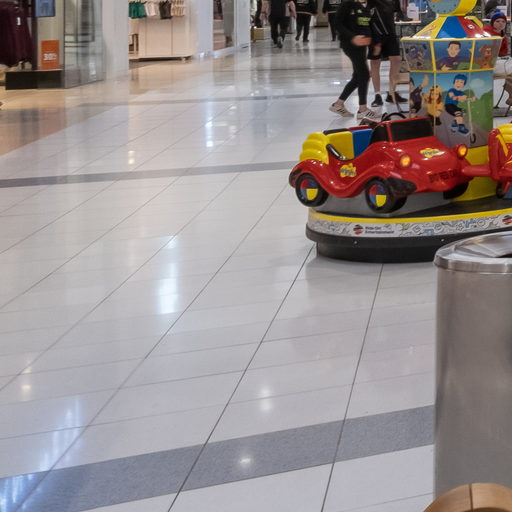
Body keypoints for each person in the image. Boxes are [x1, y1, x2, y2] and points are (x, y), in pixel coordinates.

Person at [329, 0, 378, 119]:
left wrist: (374, 44)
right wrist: (352, 37)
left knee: (358, 77)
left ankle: (338, 104)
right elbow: (337, 24)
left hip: (362, 46)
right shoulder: (347, 4)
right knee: (364, 75)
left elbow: (368, 26)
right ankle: (362, 109)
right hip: (350, 45)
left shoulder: (365, 6)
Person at [367, 0, 408, 107]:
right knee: (375, 62)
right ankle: (377, 95)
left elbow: (397, 12)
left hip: (390, 33)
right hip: (375, 34)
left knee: (396, 59)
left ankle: (392, 93)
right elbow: (368, 16)